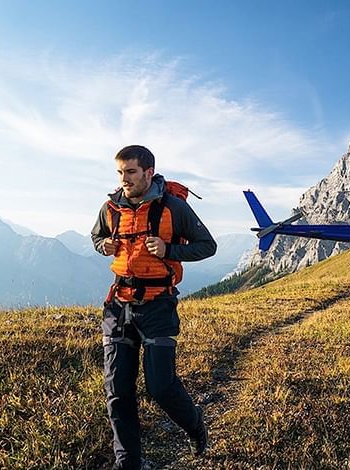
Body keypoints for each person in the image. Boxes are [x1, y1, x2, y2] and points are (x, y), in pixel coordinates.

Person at [91, 145, 217, 470]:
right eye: (120, 173)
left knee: (160, 387)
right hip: (118, 306)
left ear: (148, 172)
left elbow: (208, 246)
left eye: (130, 172)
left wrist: (168, 249)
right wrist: (102, 245)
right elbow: (96, 237)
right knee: (117, 391)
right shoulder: (110, 209)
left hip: (158, 305)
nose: (124, 180)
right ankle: (128, 463)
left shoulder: (173, 208)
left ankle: (195, 424)